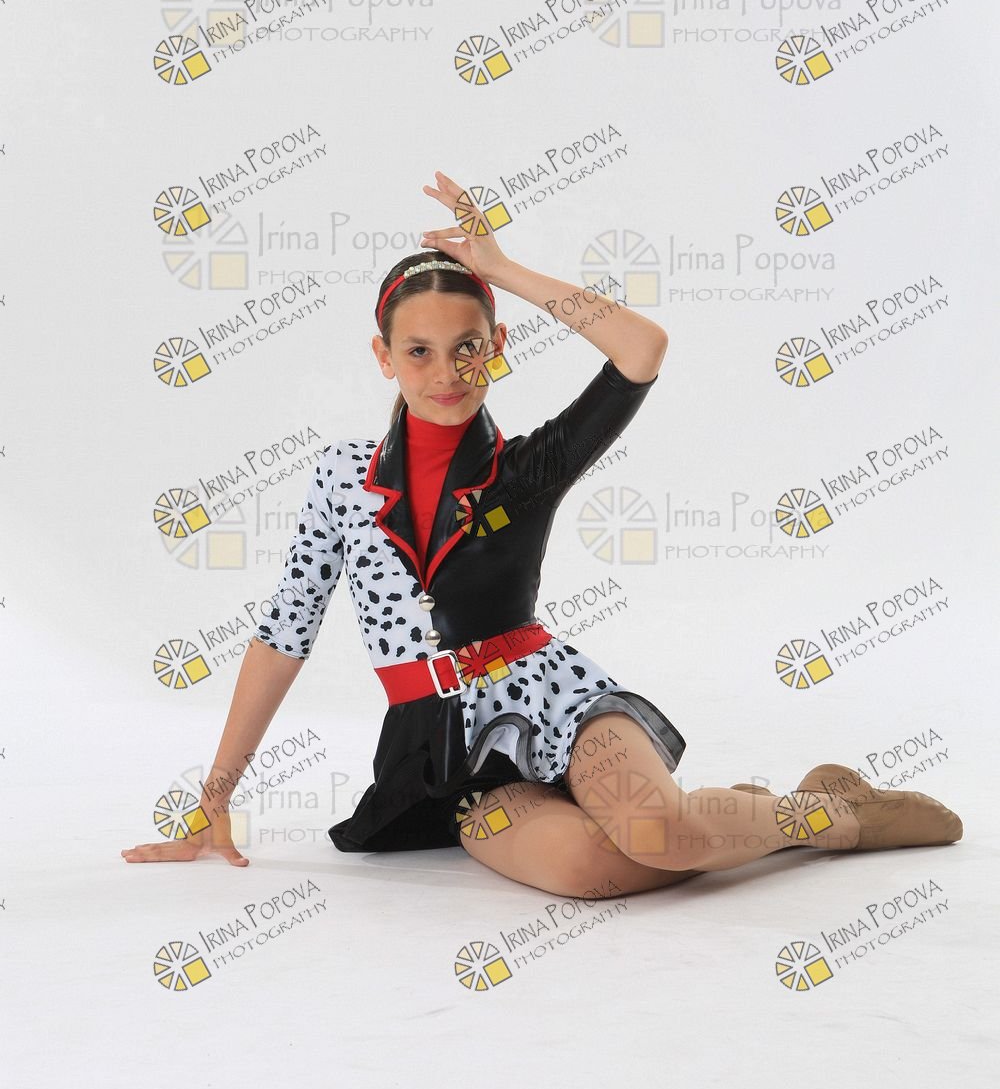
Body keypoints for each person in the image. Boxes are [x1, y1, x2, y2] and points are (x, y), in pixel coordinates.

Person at [122, 171, 963, 897]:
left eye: (467, 348)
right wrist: (216, 795)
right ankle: (736, 818)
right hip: (450, 753)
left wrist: (502, 269)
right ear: (383, 356)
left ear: (497, 348)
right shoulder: (341, 476)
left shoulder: (528, 466)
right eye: (418, 352)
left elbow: (641, 348)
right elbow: (284, 634)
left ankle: (827, 810)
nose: (445, 373)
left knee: (658, 836)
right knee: (593, 870)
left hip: (558, 699)